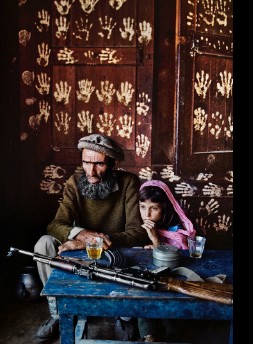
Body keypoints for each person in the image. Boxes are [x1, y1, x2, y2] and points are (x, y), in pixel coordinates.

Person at [33, 134, 149, 343]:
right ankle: (58, 312)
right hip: (81, 252)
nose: (91, 171)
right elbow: (55, 225)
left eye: (99, 164)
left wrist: (97, 241)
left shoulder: (128, 183)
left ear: (114, 164)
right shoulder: (75, 182)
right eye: (86, 162)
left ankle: (124, 315)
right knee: (44, 243)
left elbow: (137, 232)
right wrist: (81, 235)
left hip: (116, 251)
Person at [137, 180, 196, 342]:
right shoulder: (136, 226)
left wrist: (156, 240)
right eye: (143, 207)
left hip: (172, 283)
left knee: (167, 308)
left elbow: (176, 261)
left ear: (164, 208)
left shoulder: (176, 232)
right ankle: (149, 337)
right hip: (146, 283)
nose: (147, 214)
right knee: (143, 298)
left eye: (153, 208)